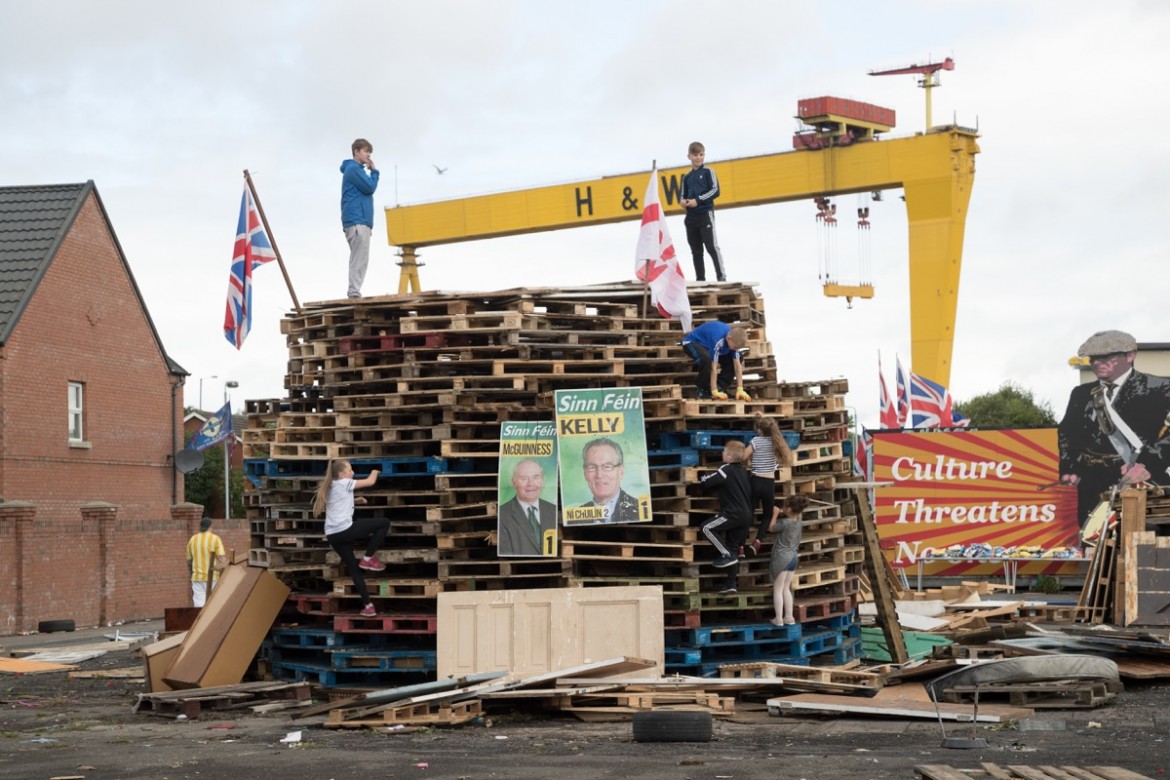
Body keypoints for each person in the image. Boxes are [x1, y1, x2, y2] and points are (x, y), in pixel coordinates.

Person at [1058, 329, 1170, 529]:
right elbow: (1067, 432)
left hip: (1141, 476)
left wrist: (1147, 465)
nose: (1097, 363)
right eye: (1093, 358)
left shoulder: (1160, 387)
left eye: (1106, 357)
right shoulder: (1081, 393)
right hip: (1093, 481)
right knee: (1092, 539)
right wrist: (1069, 467)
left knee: (1142, 540)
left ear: (1130, 356)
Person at [312, 459, 389, 617]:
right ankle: (368, 558)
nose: (353, 473)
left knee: (353, 568)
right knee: (384, 523)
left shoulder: (332, 485)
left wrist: (355, 500)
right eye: (350, 470)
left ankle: (368, 606)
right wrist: (376, 470)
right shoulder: (344, 483)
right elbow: (370, 481)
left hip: (333, 535)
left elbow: (338, 503)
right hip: (345, 530)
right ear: (341, 474)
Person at [699, 440, 754, 594]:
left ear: (729, 457)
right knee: (733, 546)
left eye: (723, 451)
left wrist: (701, 476)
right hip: (746, 515)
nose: (722, 453)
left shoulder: (725, 469)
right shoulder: (743, 472)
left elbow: (707, 483)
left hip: (733, 513)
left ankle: (726, 555)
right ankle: (731, 583)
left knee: (706, 527)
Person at [743, 413, 794, 556]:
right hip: (769, 484)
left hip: (755, 481)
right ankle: (757, 541)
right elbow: (771, 426)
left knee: (749, 513)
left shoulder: (756, 441)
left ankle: (740, 544)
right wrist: (764, 418)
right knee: (767, 514)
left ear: (759, 429)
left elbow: (743, 456)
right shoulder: (776, 442)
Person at [340, 138, 380, 299]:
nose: (368, 155)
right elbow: (370, 187)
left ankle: (354, 291)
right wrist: (375, 172)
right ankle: (354, 293)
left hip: (359, 221)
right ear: (356, 151)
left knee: (360, 259)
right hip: (357, 221)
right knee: (359, 259)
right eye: (365, 151)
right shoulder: (354, 169)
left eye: (369, 152)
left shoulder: (355, 170)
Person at [680, 141, 725, 282]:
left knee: (711, 247)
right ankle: (700, 280)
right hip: (691, 217)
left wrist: (697, 200)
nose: (698, 158)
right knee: (696, 251)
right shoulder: (686, 177)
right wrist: (683, 201)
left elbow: (716, 191)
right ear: (689, 156)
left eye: (701, 155)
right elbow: (683, 195)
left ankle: (721, 277)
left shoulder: (708, 172)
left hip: (705, 214)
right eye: (695, 155)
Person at [498, 459, 558, 556]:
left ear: (542, 480)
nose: (531, 484)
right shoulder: (502, 514)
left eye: (535, 477)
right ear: (514, 482)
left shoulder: (553, 510)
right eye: (524, 478)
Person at [573, 438, 641, 523]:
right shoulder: (574, 518)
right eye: (592, 467)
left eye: (607, 467)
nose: (599, 475)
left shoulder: (640, 510)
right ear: (585, 473)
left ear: (621, 471)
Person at [681, 320, 751, 401]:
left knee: (739, 357)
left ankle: (720, 387)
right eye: (735, 347)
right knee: (707, 360)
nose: (736, 349)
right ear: (729, 338)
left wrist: (740, 388)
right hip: (692, 343)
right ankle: (702, 390)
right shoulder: (718, 340)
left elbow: (737, 365)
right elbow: (713, 367)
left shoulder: (732, 341)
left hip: (708, 346)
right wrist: (714, 391)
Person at [769, 494, 808, 626]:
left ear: (789, 509)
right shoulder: (798, 522)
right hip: (793, 557)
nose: (782, 508)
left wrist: (774, 513)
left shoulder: (784, 523)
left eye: (784, 506)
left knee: (778, 589)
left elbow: (771, 528)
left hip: (781, 557)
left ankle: (778, 619)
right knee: (786, 588)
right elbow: (798, 513)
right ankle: (789, 617)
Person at [186, 517, 227, 608]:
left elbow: (189, 561)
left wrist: (192, 573)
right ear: (210, 526)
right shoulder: (215, 539)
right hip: (213, 577)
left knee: (199, 604)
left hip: (197, 577)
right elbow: (221, 558)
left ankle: (200, 621)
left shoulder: (192, 539)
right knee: (213, 604)